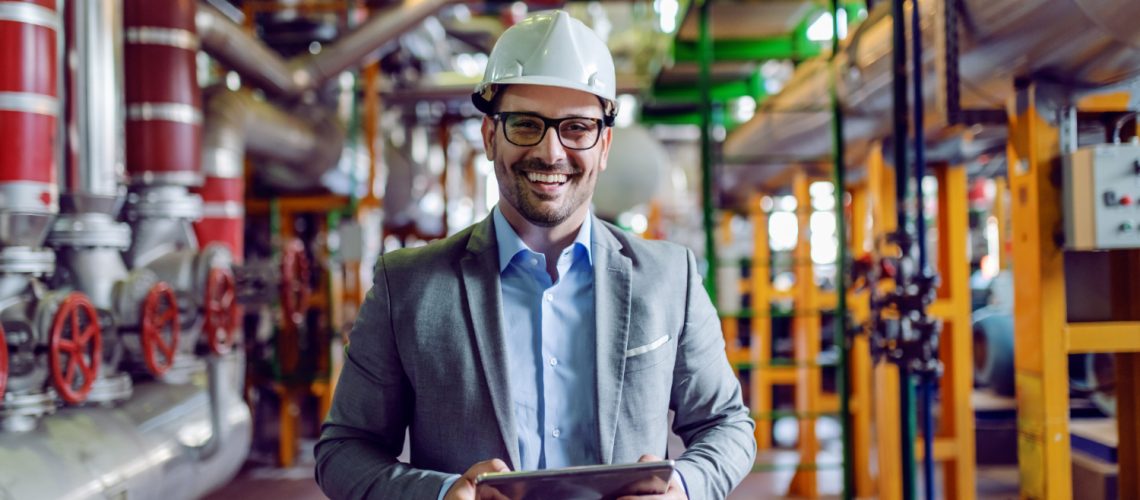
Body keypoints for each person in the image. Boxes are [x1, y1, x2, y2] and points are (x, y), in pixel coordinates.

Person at [315, 10, 756, 500]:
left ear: (604, 144)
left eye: (576, 128)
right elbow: (343, 452)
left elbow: (727, 425)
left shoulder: (669, 277)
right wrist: (442, 495)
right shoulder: (409, 286)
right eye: (526, 124)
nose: (551, 151)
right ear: (489, 136)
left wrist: (684, 488)